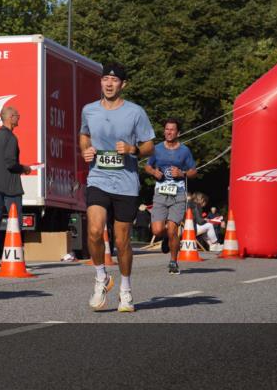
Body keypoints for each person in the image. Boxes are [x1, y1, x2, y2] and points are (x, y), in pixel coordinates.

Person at [80, 62, 154, 312]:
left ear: (123, 84)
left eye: (114, 80)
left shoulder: (136, 112)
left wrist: (133, 149)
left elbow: (149, 146)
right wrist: (85, 150)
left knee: (122, 242)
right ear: (101, 82)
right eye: (105, 80)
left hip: (126, 184)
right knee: (93, 230)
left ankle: (125, 289)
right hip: (98, 179)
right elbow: (84, 135)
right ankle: (101, 278)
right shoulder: (89, 110)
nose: (109, 84)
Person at [0, 105, 38, 268]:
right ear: (10, 117)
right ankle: (17, 258)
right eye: (17, 115)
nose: (19, 117)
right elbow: (10, 163)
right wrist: (25, 168)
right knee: (16, 223)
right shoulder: (11, 138)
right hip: (11, 187)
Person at [144, 118, 197, 274]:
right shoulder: (157, 149)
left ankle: (173, 261)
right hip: (160, 192)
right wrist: (154, 172)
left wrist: (183, 173)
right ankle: (166, 238)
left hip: (178, 194)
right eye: (167, 129)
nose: (169, 132)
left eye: (172, 129)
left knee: (173, 229)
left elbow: (194, 171)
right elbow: (147, 166)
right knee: (157, 230)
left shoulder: (184, 151)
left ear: (178, 132)